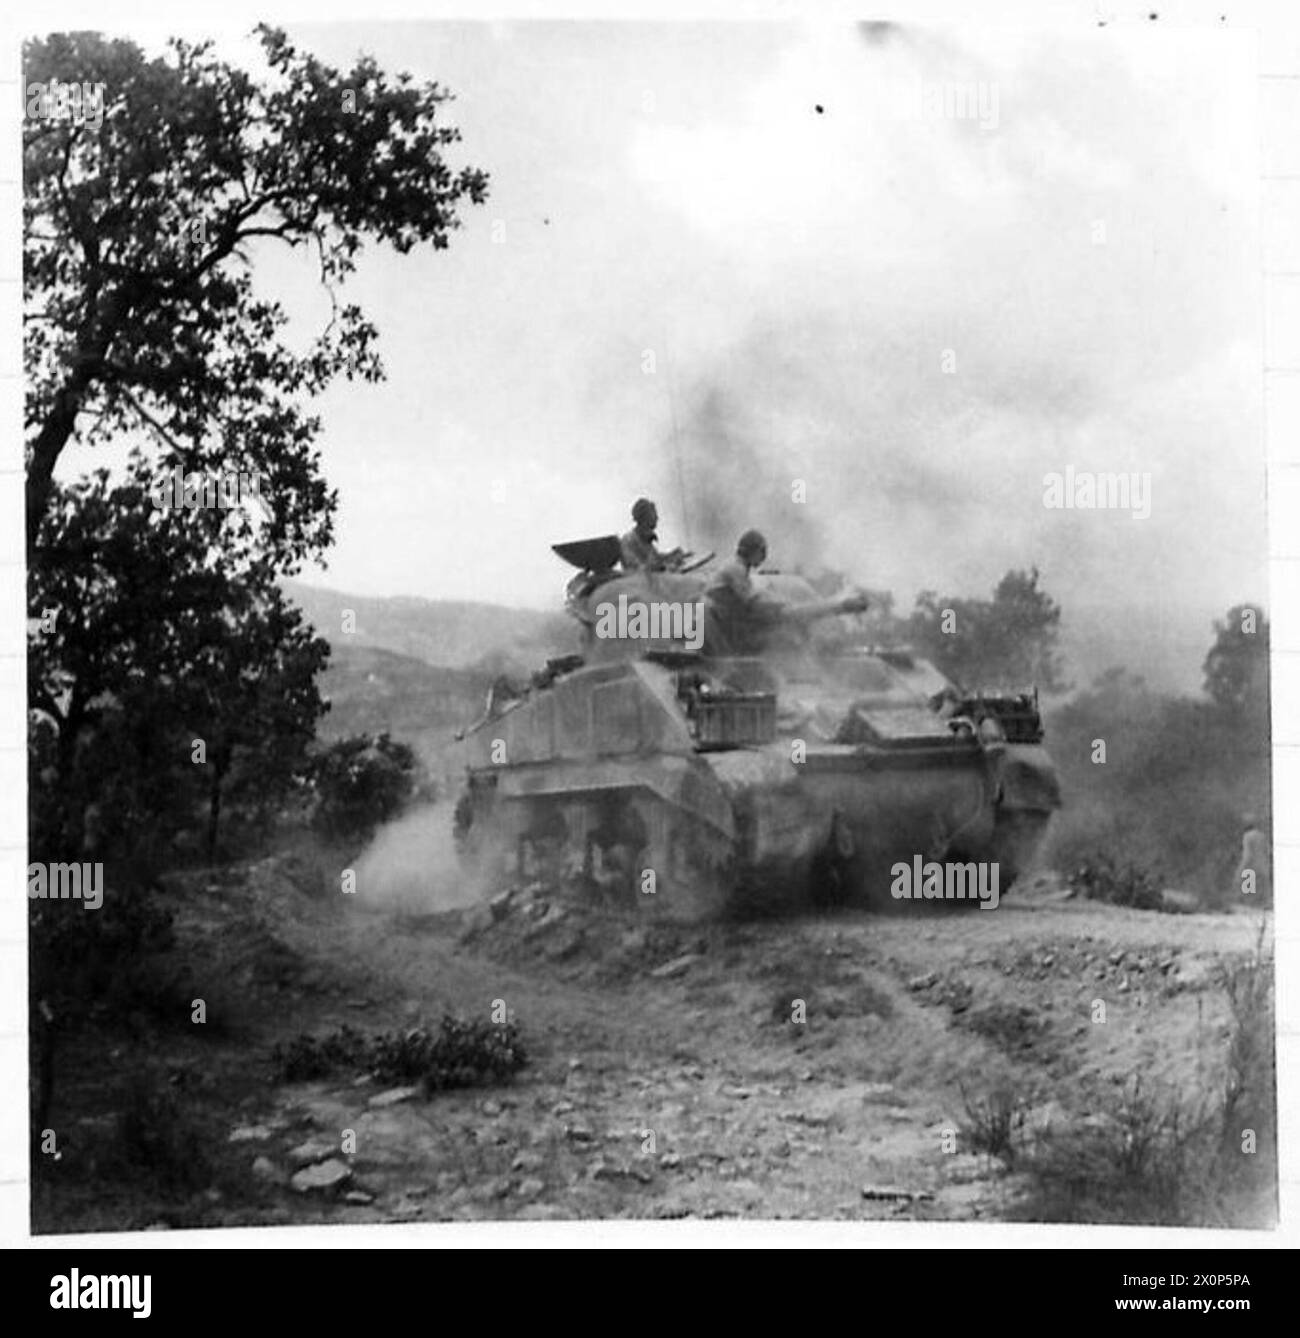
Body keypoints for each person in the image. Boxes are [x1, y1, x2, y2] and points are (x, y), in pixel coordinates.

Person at [705, 529, 868, 654]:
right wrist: (781, 606)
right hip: (725, 627)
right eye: (761, 552)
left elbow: (751, 599)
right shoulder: (736, 568)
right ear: (753, 551)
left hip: (730, 624)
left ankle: (840, 605)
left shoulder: (737, 567)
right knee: (786, 617)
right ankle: (841, 605)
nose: (763, 557)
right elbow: (752, 602)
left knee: (786, 621)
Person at [619, 498, 684, 573]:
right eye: (654, 514)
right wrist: (665, 565)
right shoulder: (628, 540)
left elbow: (655, 559)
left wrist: (671, 556)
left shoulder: (645, 538)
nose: (657, 518)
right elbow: (635, 570)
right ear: (644, 517)